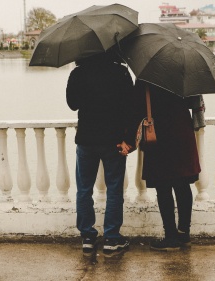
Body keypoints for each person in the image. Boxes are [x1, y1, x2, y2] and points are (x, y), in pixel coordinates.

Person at [66, 51, 135, 257]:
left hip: (87, 139)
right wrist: (128, 139)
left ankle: (87, 237)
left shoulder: (78, 73)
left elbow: (72, 104)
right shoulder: (120, 72)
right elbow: (131, 107)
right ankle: (112, 239)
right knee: (114, 189)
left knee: (84, 189)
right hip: (113, 140)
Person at [133, 80, 201, 251]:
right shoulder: (182, 71)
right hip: (181, 130)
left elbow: (137, 105)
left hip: (157, 132)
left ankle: (170, 236)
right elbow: (193, 102)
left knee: (163, 187)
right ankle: (184, 234)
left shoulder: (146, 76)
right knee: (183, 184)